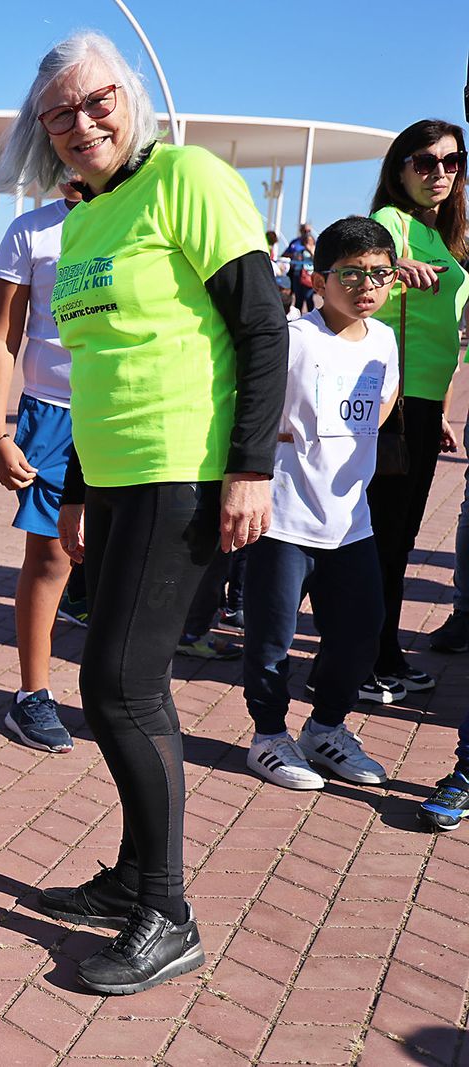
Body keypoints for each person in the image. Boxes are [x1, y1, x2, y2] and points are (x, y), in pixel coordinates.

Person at [0, 32, 286, 993]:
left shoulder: (189, 178)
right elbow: (91, 368)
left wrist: (248, 470)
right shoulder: (82, 220)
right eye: (59, 116)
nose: (82, 126)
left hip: (185, 470)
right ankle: (133, 881)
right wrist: (75, 490)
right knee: (119, 680)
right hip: (113, 477)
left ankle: (167, 910)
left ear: (133, 99)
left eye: (97, 102)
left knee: (121, 685)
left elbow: (260, 326)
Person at [240, 217, 400, 792]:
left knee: (361, 633)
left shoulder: (383, 338)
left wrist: (341, 444)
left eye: (380, 274)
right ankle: (268, 737)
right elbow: (253, 409)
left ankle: (326, 729)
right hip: (282, 519)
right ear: (318, 276)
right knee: (270, 639)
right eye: (352, 273)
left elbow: (382, 402)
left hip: (351, 523)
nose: (367, 286)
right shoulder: (293, 338)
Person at [364, 120, 469, 701]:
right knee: (382, 534)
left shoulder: (447, 235)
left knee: (399, 535)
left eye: (452, 162)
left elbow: (448, 336)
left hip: (426, 405)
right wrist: (389, 268)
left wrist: (448, 413)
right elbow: (353, 272)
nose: (440, 173)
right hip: (390, 403)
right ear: (399, 168)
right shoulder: (391, 224)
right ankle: (365, 657)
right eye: (424, 162)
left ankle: (381, 650)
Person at [0, 189, 75, 753]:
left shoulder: (145, 219)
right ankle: (33, 695)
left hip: (129, 411)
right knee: (51, 555)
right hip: (52, 413)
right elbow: (2, 336)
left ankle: (124, 695)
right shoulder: (31, 231)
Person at [282, 222, 317, 315]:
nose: (307, 233)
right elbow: (285, 254)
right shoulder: (295, 243)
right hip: (297, 274)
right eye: (304, 231)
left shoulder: (315, 245)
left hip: (309, 276)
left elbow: (317, 260)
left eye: (309, 231)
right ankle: (298, 317)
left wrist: (310, 250)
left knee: (309, 298)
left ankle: (312, 318)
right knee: (298, 299)